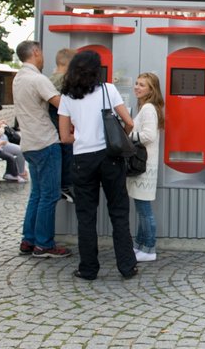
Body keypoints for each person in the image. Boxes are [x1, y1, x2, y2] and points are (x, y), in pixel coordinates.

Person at [58, 50, 137, 281]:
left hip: (83, 160)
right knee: (119, 213)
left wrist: (82, 138)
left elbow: (64, 137)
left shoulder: (67, 97)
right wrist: (118, 138)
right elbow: (129, 123)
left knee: (86, 216)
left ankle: (88, 269)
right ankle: (127, 266)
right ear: (96, 69)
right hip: (110, 157)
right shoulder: (108, 90)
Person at [12, 41, 71, 258]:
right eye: (42, 53)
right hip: (45, 142)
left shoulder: (19, 78)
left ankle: (28, 240)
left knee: (36, 194)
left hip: (28, 143)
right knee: (50, 195)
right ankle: (44, 245)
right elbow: (61, 104)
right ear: (36, 52)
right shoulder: (38, 79)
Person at [127, 72, 164, 262]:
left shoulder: (148, 108)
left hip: (144, 167)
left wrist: (128, 137)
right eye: (136, 83)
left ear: (151, 89)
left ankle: (149, 248)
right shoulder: (146, 107)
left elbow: (148, 135)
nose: (137, 87)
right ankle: (140, 246)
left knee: (144, 210)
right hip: (143, 166)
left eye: (142, 85)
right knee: (141, 208)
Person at [49, 48, 77, 203]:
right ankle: (65, 186)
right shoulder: (64, 80)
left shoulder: (50, 78)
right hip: (60, 123)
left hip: (52, 123)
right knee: (68, 149)